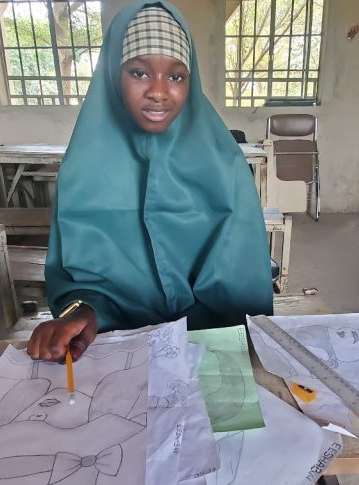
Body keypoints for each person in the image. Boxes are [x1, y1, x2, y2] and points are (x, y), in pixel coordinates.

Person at [26, 1, 273, 363]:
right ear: (113, 75)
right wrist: (83, 311)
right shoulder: (83, 172)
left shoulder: (224, 165)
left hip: (213, 342)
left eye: (176, 76)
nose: (159, 91)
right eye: (139, 73)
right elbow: (79, 276)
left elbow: (240, 279)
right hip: (118, 345)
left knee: (229, 417)